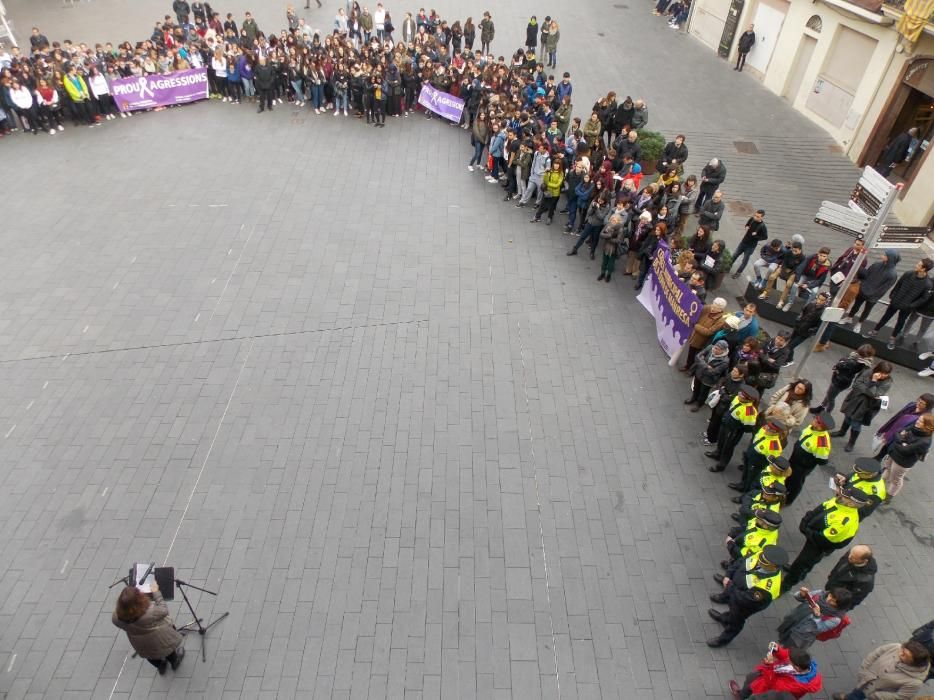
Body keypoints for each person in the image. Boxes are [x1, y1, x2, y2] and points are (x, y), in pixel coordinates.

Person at [781, 487, 871, 593]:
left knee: (802, 563)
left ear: (851, 504)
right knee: (804, 561)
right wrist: (807, 519)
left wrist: (808, 531)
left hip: (818, 545)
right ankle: (799, 572)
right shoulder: (840, 502)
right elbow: (821, 508)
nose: (840, 494)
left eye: (845, 496)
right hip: (813, 535)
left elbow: (824, 539)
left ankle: (788, 583)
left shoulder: (845, 522)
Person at [707, 544, 787, 647]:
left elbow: (744, 599)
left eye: (764, 563)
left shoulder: (766, 588)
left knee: (737, 620)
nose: (759, 561)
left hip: (746, 605)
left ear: (774, 567)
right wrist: (728, 575)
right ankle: (725, 618)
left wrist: (729, 585)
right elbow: (741, 561)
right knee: (732, 611)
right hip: (735, 588)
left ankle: (723, 640)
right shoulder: (762, 556)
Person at [112, 582, 186, 674]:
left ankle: (160, 666)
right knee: (167, 650)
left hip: (139, 643)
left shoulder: (116, 618)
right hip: (157, 639)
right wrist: (156, 592)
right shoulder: (149, 613)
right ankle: (175, 662)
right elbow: (164, 610)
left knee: (149, 656)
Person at [866, 258, 934, 349]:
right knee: (886, 316)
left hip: (907, 307)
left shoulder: (927, 284)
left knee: (900, 322)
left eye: (919, 265)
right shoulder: (908, 274)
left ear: (924, 269)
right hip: (896, 301)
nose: (916, 265)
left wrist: (912, 305)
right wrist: (893, 296)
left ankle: (892, 338)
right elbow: (898, 285)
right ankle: (875, 330)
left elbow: (924, 298)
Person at [831, 640, 931, 700]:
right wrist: (864, 670)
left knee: (857, 696)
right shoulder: (896, 647)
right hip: (865, 679)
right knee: (856, 690)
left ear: (914, 662)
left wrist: (875, 695)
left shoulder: (915, 682)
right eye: (903, 650)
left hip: (871, 693)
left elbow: (899, 697)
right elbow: (875, 654)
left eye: (905, 655)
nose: (900, 653)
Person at [834, 361, 893, 453]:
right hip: (854, 399)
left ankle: (851, 442)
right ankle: (842, 431)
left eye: (886, 374)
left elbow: (875, 394)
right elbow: (857, 384)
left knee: (856, 423)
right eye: (882, 373)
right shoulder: (868, 372)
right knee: (847, 416)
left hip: (866, 405)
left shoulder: (887, 382)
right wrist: (868, 390)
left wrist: (873, 381)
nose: (884, 375)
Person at [841, 250, 900, 335]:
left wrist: (873, 295)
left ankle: (859, 323)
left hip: (873, 296)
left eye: (885, 255)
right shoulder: (876, 264)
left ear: (890, 258)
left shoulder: (892, 274)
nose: (883, 255)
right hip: (863, 290)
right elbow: (867, 274)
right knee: (856, 305)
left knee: (867, 310)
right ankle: (849, 317)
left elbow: (884, 289)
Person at [729, 645, 821, 699]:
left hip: (773, 694)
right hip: (769, 678)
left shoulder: (795, 685)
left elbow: (772, 684)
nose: (787, 659)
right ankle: (741, 696)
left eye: (790, 661)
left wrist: (769, 666)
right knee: (750, 678)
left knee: (756, 697)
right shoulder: (804, 664)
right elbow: (787, 655)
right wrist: (778, 650)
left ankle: (743, 696)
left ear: (796, 667)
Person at [777, 587, 852, 651]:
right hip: (793, 621)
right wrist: (801, 595)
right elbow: (799, 598)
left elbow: (819, 629)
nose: (829, 599)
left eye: (834, 602)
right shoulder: (820, 594)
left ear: (840, 605)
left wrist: (817, 616)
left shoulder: (836, 618)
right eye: (831, 596)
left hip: (801, 635)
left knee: (789, 650)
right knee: (782, 635)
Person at [706, 385, 759, 472]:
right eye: (740, 393)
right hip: (725, 424)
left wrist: (737, 429)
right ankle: (717, 453)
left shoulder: (750, 412)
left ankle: (721, 465)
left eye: (742, 395)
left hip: (733, 431)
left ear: (748, 399)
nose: (739, 394)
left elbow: (749, 427)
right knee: (721, 440)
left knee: (728, 448)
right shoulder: (737, 398)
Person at [881, 412, 934, 499]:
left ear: (927, 426)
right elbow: (897, 432)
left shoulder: (924, 441)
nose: (917, 421)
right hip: (894, 453)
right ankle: (878, 486)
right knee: (887, 469)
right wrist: (902, 442)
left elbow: (905, 451)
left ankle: (889, 496)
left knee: (895, 480)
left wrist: (900, 439)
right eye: (918, 419)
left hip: (902, 462)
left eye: (921, 421)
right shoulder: (915, 427)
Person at [784, 413, 833, 506]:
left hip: (802, 467)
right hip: (795, 459)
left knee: (796, 483)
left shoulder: (822, 443)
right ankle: (785, 489)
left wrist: (806, 462)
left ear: (820, 426)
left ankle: (789, 499)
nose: (813, 420)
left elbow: (822, 460)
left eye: (816, 420)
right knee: (789, 477)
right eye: (815, 417)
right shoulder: (811, 427)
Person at [812, 344, 875, 414]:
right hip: (840, 379)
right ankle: (821, 408)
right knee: (829, 394)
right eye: (859, 353)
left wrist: (841, 363)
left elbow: (841, 365)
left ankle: (826, 413)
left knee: (831, 398)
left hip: (840, 381)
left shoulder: (856, 362)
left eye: (861, 354)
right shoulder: (857, 358)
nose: (858, 355)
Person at [874, 393, 934, 457]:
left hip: (902, 436)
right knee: (885, 445)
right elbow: (898, 415)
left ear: (928, 406)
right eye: (919, 400)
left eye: (922, 403)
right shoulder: (912, 405)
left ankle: (881, 458)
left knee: (890, 447)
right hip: (894, 427)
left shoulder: (925, 417)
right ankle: (879, 457)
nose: (918, 403)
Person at [784, 292, 829, 365]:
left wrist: (811, 331)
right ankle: (789, 359)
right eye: (819, 299)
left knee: (790, 346)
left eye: (822, 300)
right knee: (789, 345)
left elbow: (819, 326)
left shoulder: (823, 312)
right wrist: (799, 319)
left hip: (804, 333)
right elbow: (803, 312)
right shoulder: (811, 305)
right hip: (798, 327)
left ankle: (789, 360)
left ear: (825, 301)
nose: (819, 301)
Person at [685, 339, 730, 410]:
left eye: (718, 349)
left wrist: (702, 362)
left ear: (723, 351)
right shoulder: (710, 347)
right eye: (715, 347)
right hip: (699, 373)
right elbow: (697, 357)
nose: (715, 350)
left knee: (703, 392)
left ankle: (699, 404)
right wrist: (707, 366)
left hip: (708, 380)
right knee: (696, 388)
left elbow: (713, 372)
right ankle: (693, 398)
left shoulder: (725, 361)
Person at [730, 209, 768, 278]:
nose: (755, 217)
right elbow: (747, 225)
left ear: (762, 217)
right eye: (755, 215)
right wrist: (746, 227)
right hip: (744, 241)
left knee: (744, 260)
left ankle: (738, 272)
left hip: (751, 246)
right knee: (734, 255)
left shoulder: (762, 227)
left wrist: (756, 236)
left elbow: (765, 237)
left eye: (758, 217)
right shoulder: (752, 219)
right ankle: (727, 267)